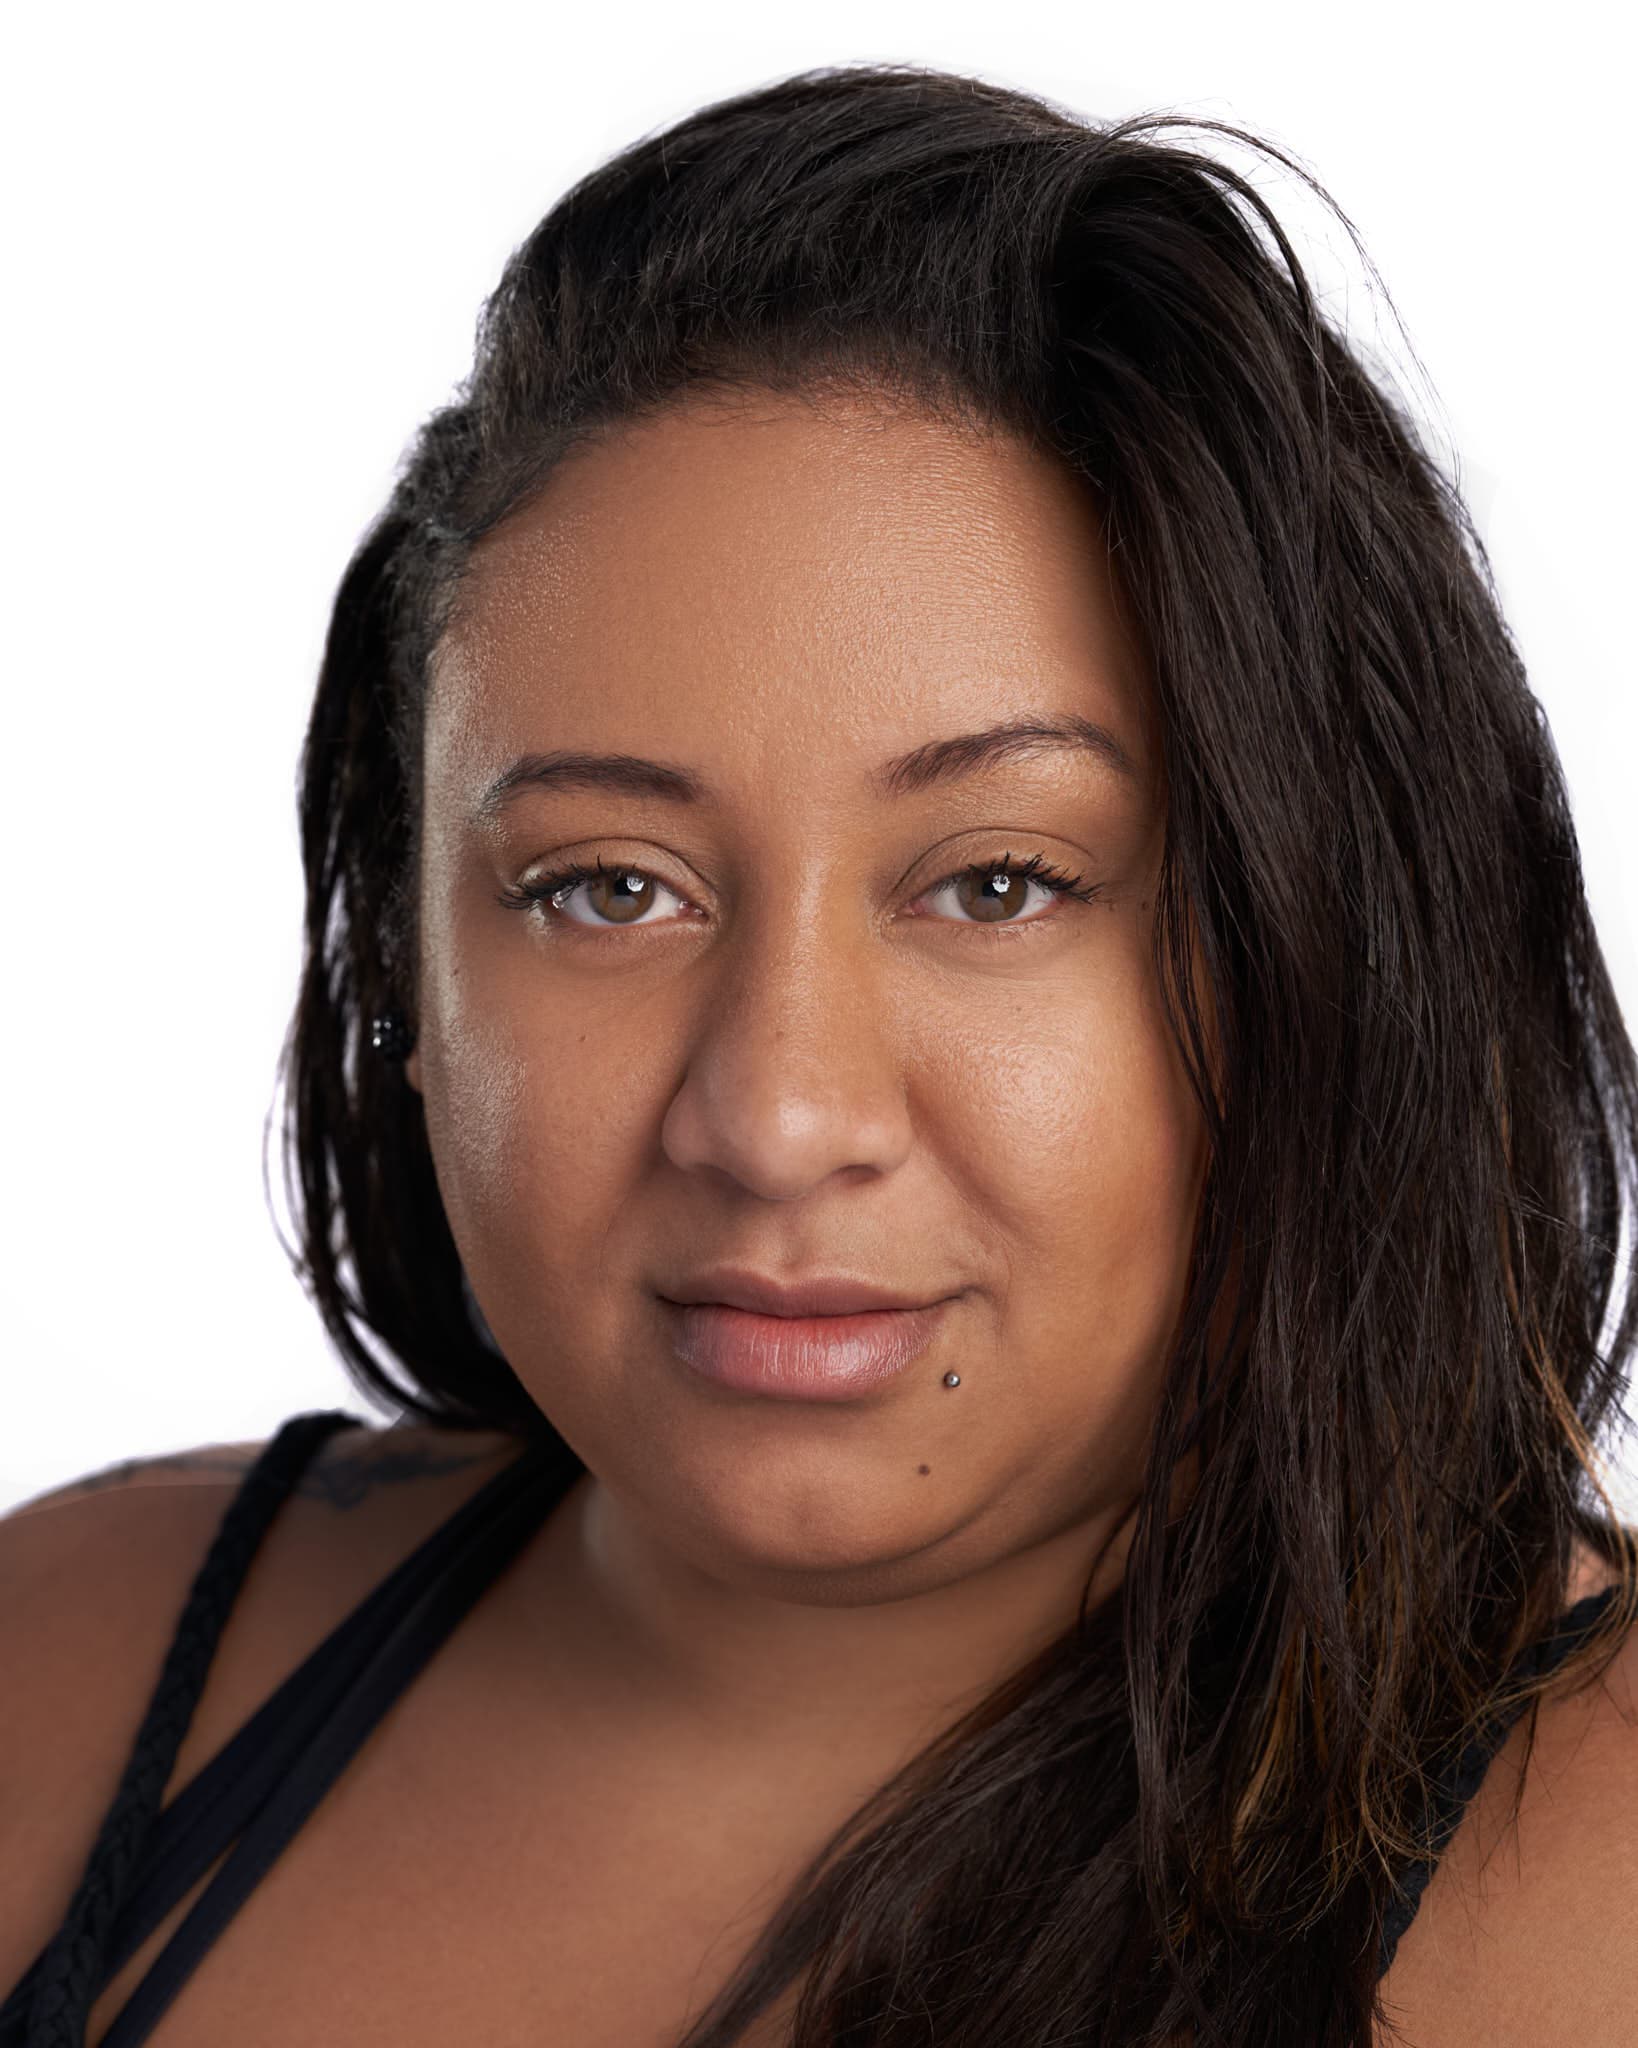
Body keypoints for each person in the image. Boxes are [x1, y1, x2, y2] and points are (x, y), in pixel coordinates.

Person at [2, 58, 1635, 2048]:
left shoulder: (1595, 1872)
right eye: (608, 890)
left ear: (1327, 962)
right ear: (403, 988)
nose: (775, 1116)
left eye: (1000, 885)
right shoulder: (70, 1687)